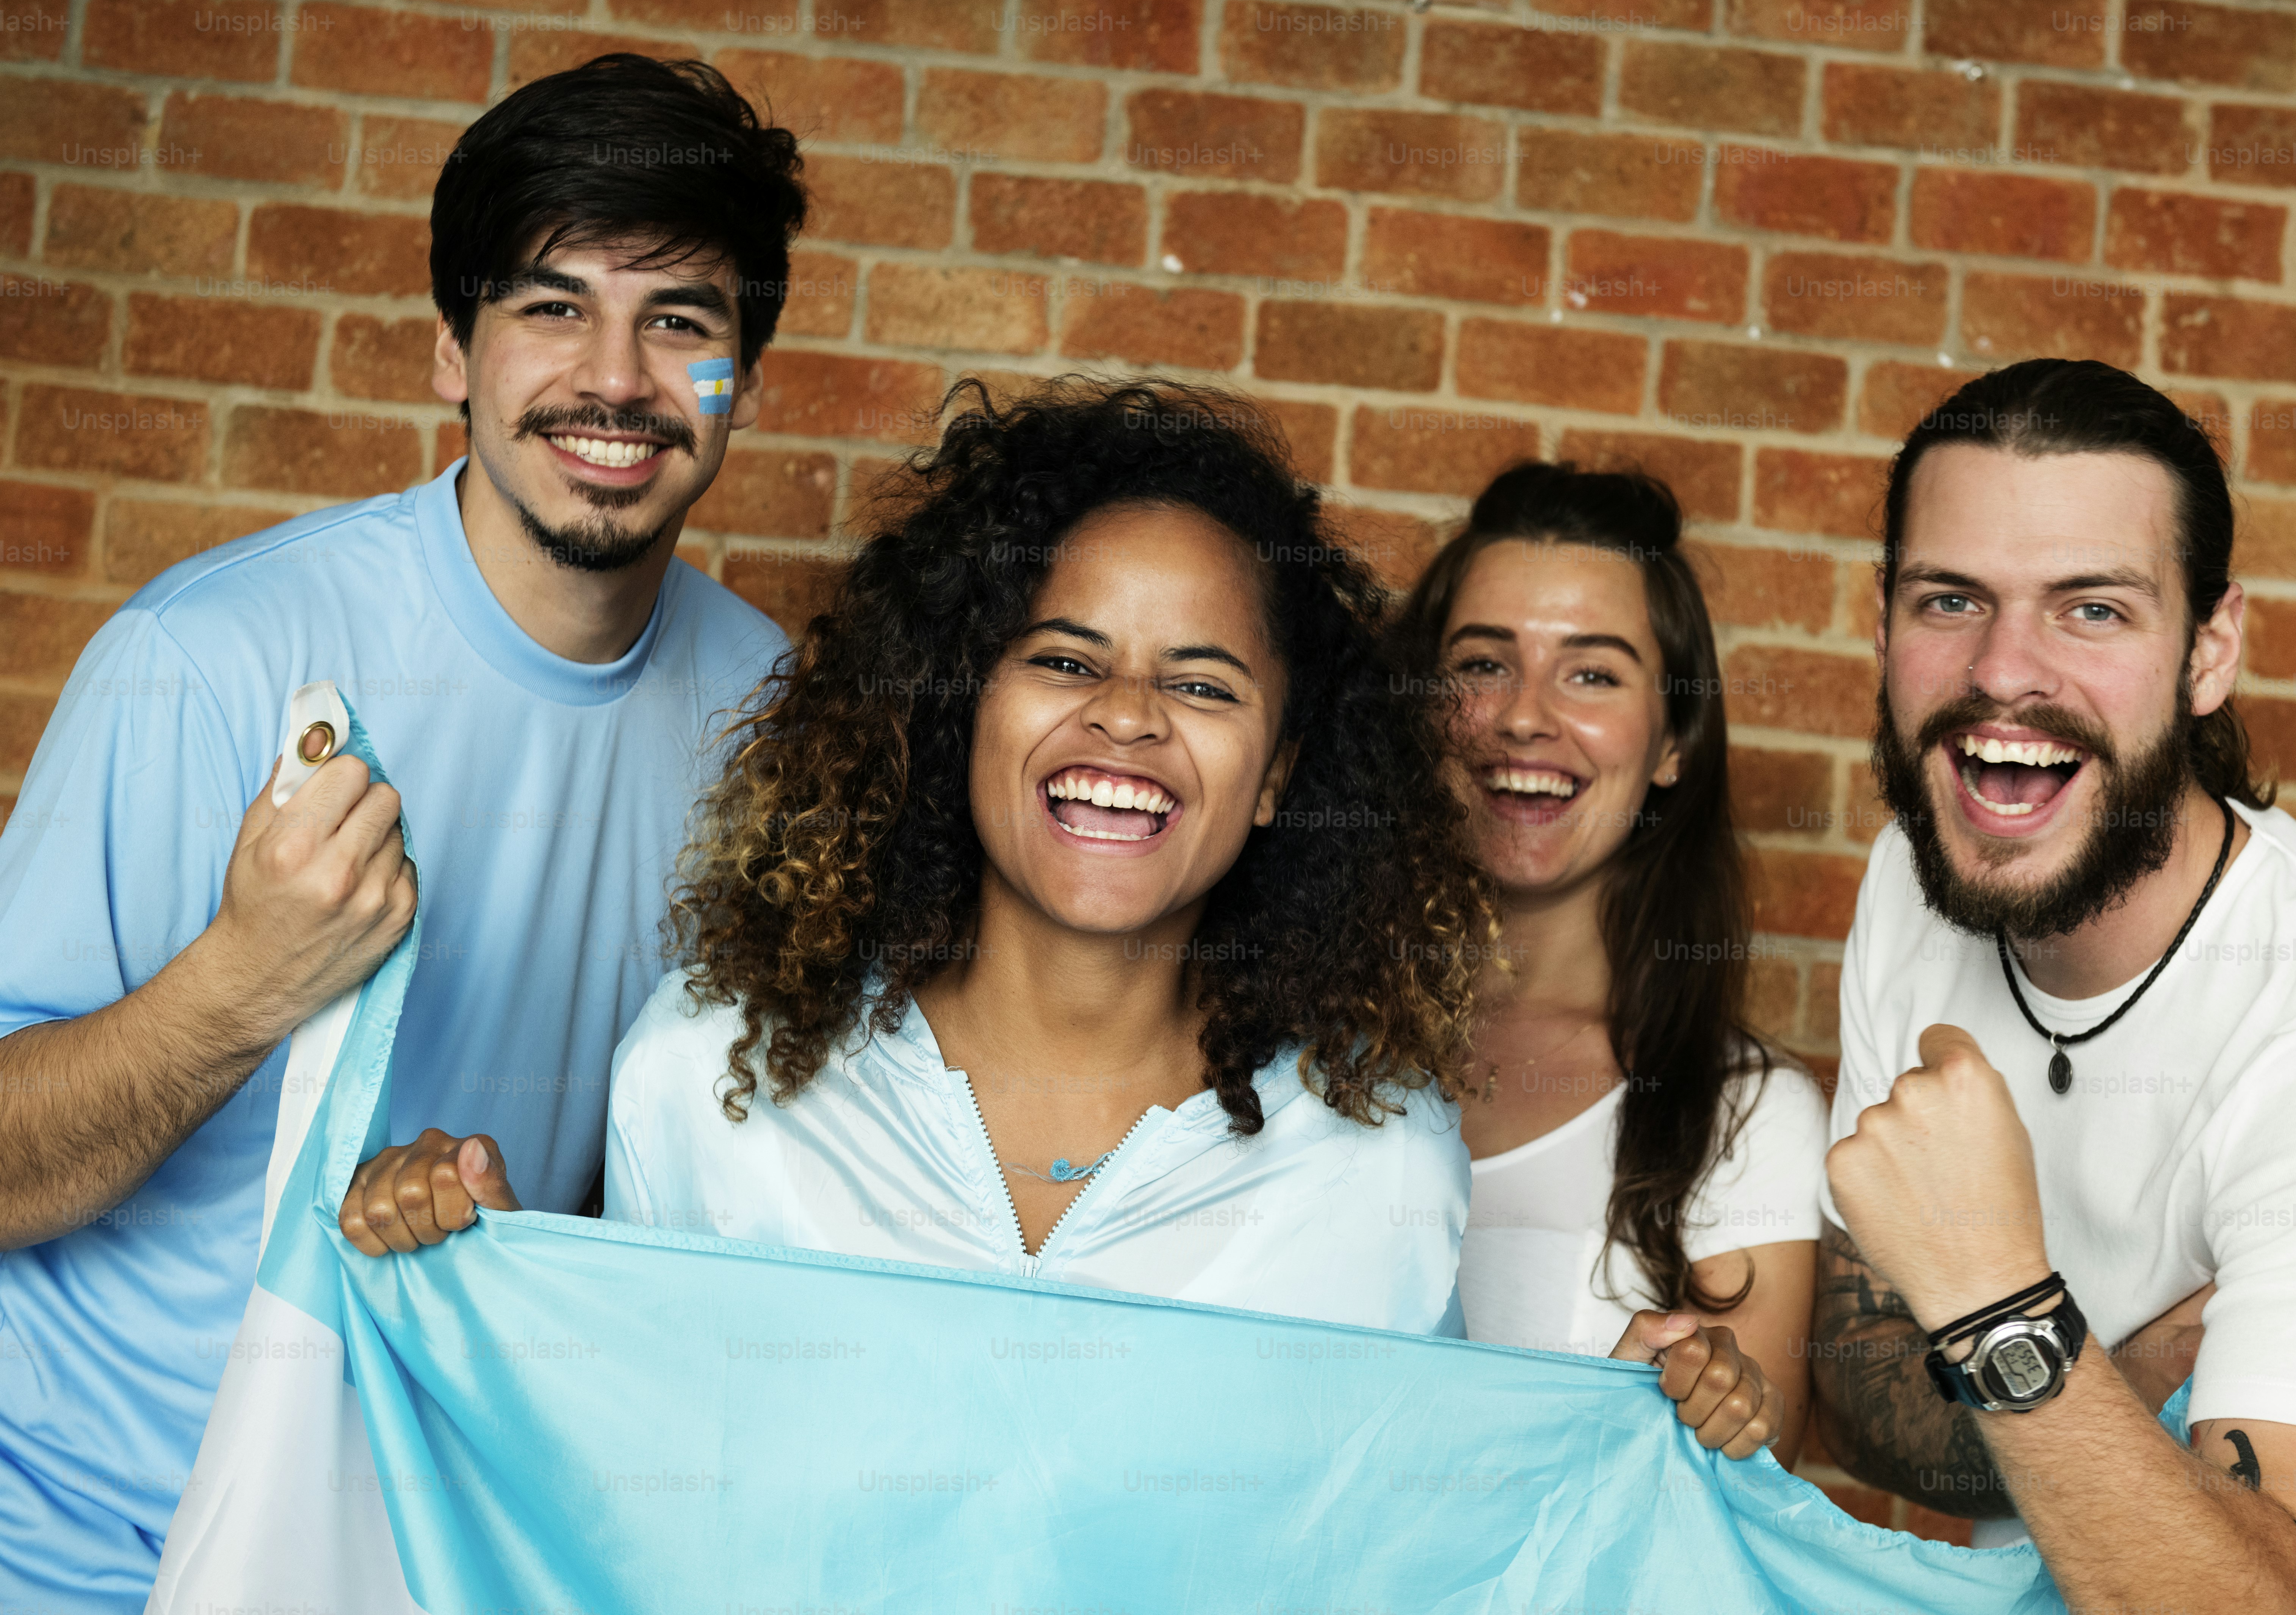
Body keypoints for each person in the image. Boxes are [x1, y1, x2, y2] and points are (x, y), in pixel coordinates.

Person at [343, 380, 1777, 1454]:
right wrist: (485, 1275)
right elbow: (613, 1468)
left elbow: (1409, 1546)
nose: (1131, 720)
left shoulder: (1375, 1165)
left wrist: (1644, 1430)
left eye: (1205, 684)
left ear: (1281, 774)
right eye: (1066, 656)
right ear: (960, 704)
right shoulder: (709, 1074)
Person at [0, 52, 800, 1610]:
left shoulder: (773, 724)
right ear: (453, 348)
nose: (619, 380)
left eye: (683, 324)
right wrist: (243, 983)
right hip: (85, 1557)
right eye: (554, 306)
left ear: (742, 386)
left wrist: (517, 1242)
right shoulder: (212, 659)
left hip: (432, 1557)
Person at [1812, 359, 2296, 1615]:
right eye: (1950, 600)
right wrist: (2138, 1356)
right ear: (1882, 623)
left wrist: (1989, 1295)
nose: (2003, 671)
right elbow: (1864, 1398)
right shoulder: (1913, 881)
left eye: (2092, 609)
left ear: (2210, 651)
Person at [1401, 463, 1822, 1466]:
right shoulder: (1292, 1038)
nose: (1524, 717)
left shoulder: (1743, 1114)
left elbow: (1739, 1501)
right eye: (1482, 664)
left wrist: (1682, 1410)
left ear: (1672, 739)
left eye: (1592, 672)